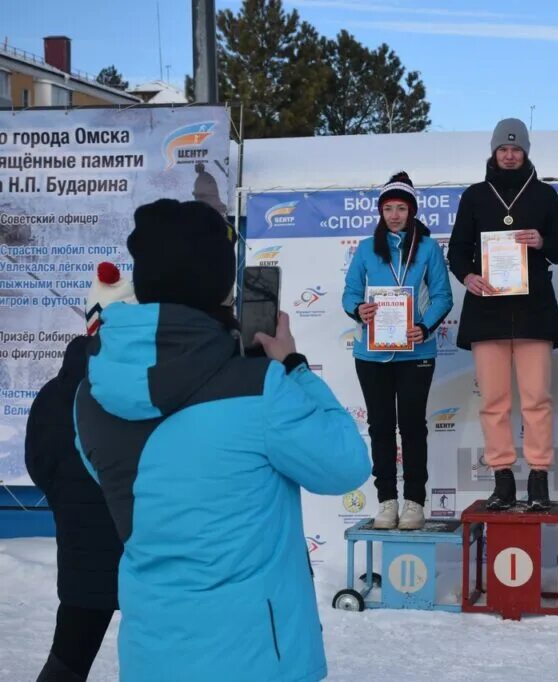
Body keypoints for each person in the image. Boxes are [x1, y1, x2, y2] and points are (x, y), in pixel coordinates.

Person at [74, 199, 371, 681]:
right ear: (220, 286)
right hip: (257, 661)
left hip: (152, 657)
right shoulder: (261, 386)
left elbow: (104, 470)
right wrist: (292, 366)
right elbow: (346, 465)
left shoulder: (90, 392)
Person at [448, 118, 558, 510]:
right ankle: (503, 479)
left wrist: (542, 240)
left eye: (515, 149)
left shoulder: (544, 196)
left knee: (537, 399)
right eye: (503, 149)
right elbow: (456, 251)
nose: (508, 155)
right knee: (494, 401)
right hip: (487, 312)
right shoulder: (474, 196)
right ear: (493, 152)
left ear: (525, 152)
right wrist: (468, 275)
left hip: (532, 311)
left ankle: (538, 477)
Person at [25, 262, 134, 682]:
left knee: (68, 661)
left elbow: (40, 462)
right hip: (145, 551)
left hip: (82, 554)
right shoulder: (152, 386)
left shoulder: (56, 390)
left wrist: (69, 504)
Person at [342, 172, 453, 530]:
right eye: (387, 208)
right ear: (380, 212)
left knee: (412, 426)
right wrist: (359, 309)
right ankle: (386, 500)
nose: (393, 215)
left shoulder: (428, 248)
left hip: (415, 352)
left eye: (400, 208)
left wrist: (424, 326)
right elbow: (349, 293)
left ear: (412, 211)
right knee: (379, 427)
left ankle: (415, 502)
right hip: (371, 353)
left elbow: (442, 296)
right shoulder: (364, 248)